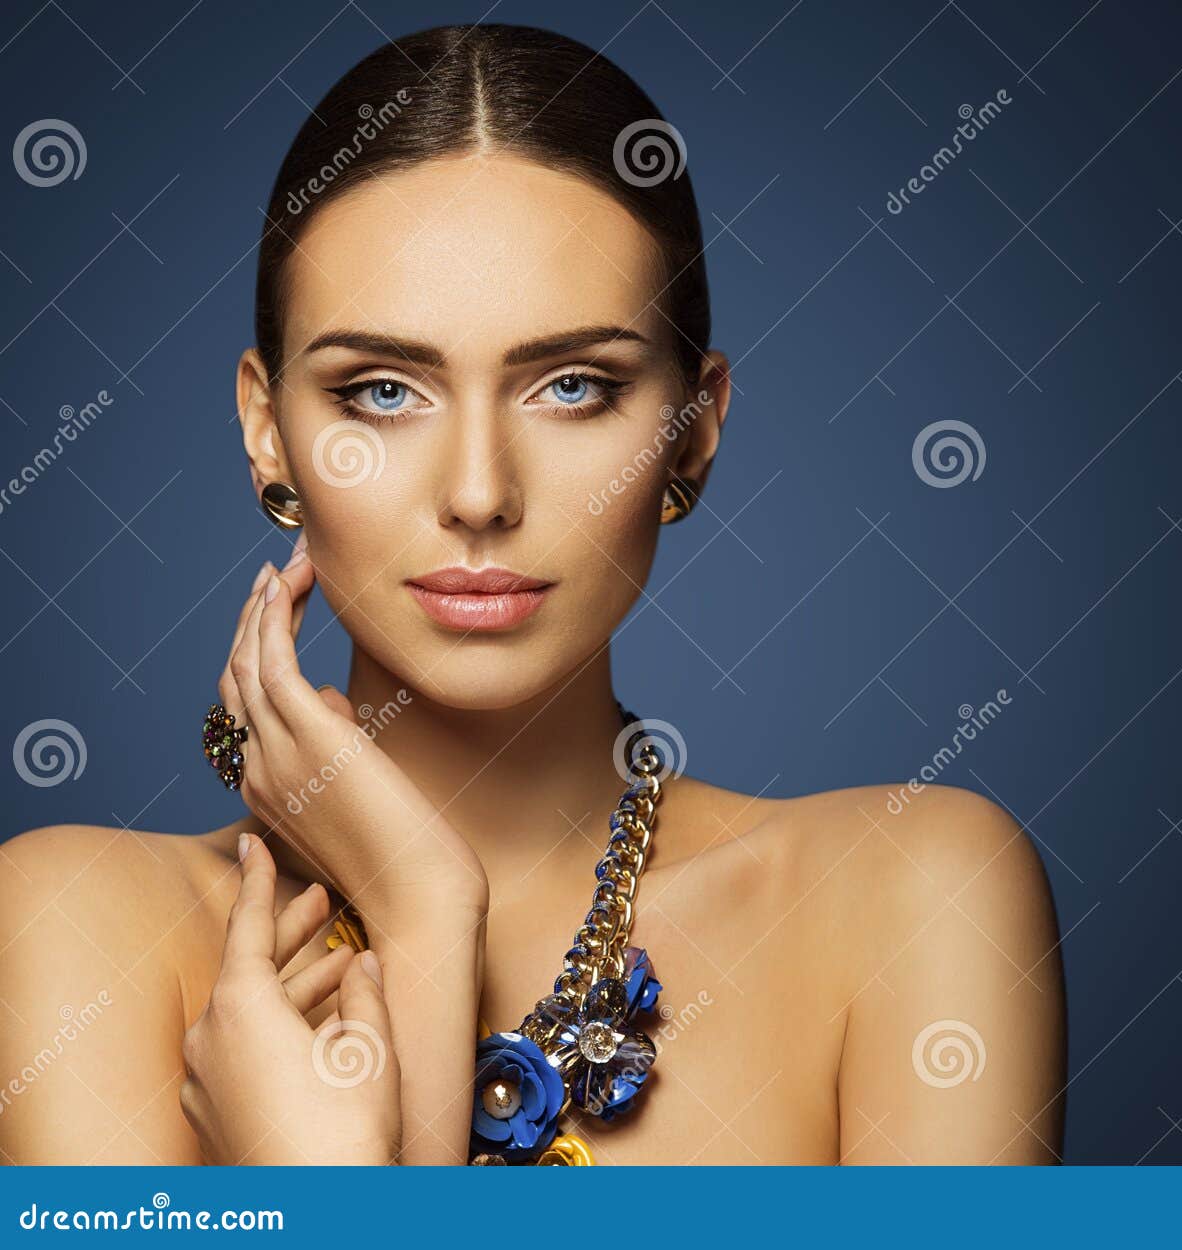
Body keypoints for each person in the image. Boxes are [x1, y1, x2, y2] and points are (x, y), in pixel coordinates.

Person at [0, 24, 1063, 1166]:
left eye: (571, 386)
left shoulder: (911, 896)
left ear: (690, 430)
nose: (477, 492)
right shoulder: (71, 923)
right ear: (269, 428)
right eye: (382, 391)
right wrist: (418, 917)